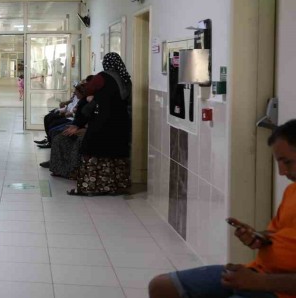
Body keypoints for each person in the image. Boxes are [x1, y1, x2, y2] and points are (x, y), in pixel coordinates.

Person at [148, 119, 296, 298]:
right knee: (162, 286)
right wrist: (258, 237)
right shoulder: (292, 191)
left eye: (287, 162)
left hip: (278, 289)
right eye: (279, 162)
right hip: (259, 272)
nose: (281, 171)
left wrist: (260, 282)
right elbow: (278, 234)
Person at [68, 52, 132, 196]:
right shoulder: (126, 79)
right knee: (116, 154)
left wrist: (91, 98)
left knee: (91, 150)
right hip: (121, 123)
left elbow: (87, 91)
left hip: (102, 122)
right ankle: (116, 187)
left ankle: (91, 187)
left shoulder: (102, 77)